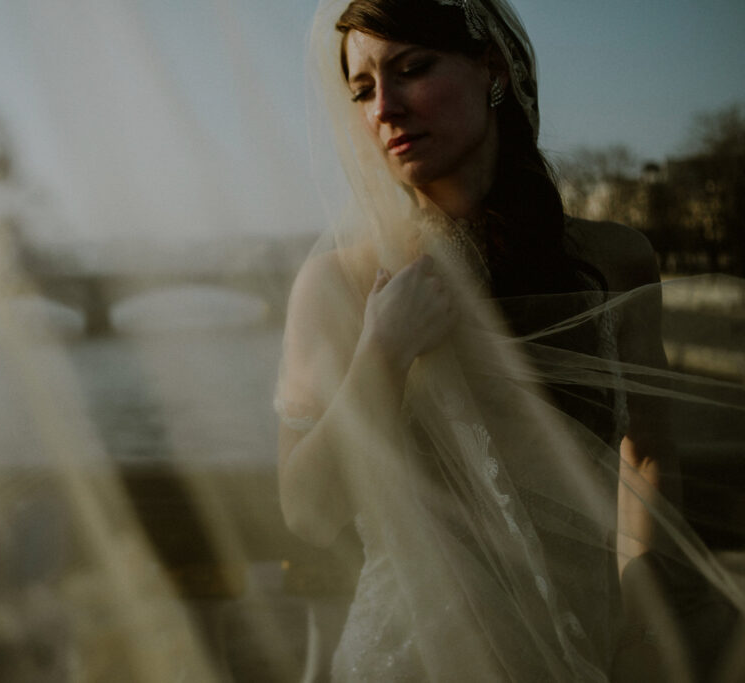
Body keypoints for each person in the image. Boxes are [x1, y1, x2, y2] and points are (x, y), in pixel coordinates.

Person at [275, 0, 744, 680]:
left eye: (410, 70)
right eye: (362, 89)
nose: (384, 108)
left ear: (493, 68)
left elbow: (646, 459)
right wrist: (382, 349)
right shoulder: (337, 284)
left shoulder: (617, 262)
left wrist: (642, 619)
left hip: (590, 648)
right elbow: (308, 513)